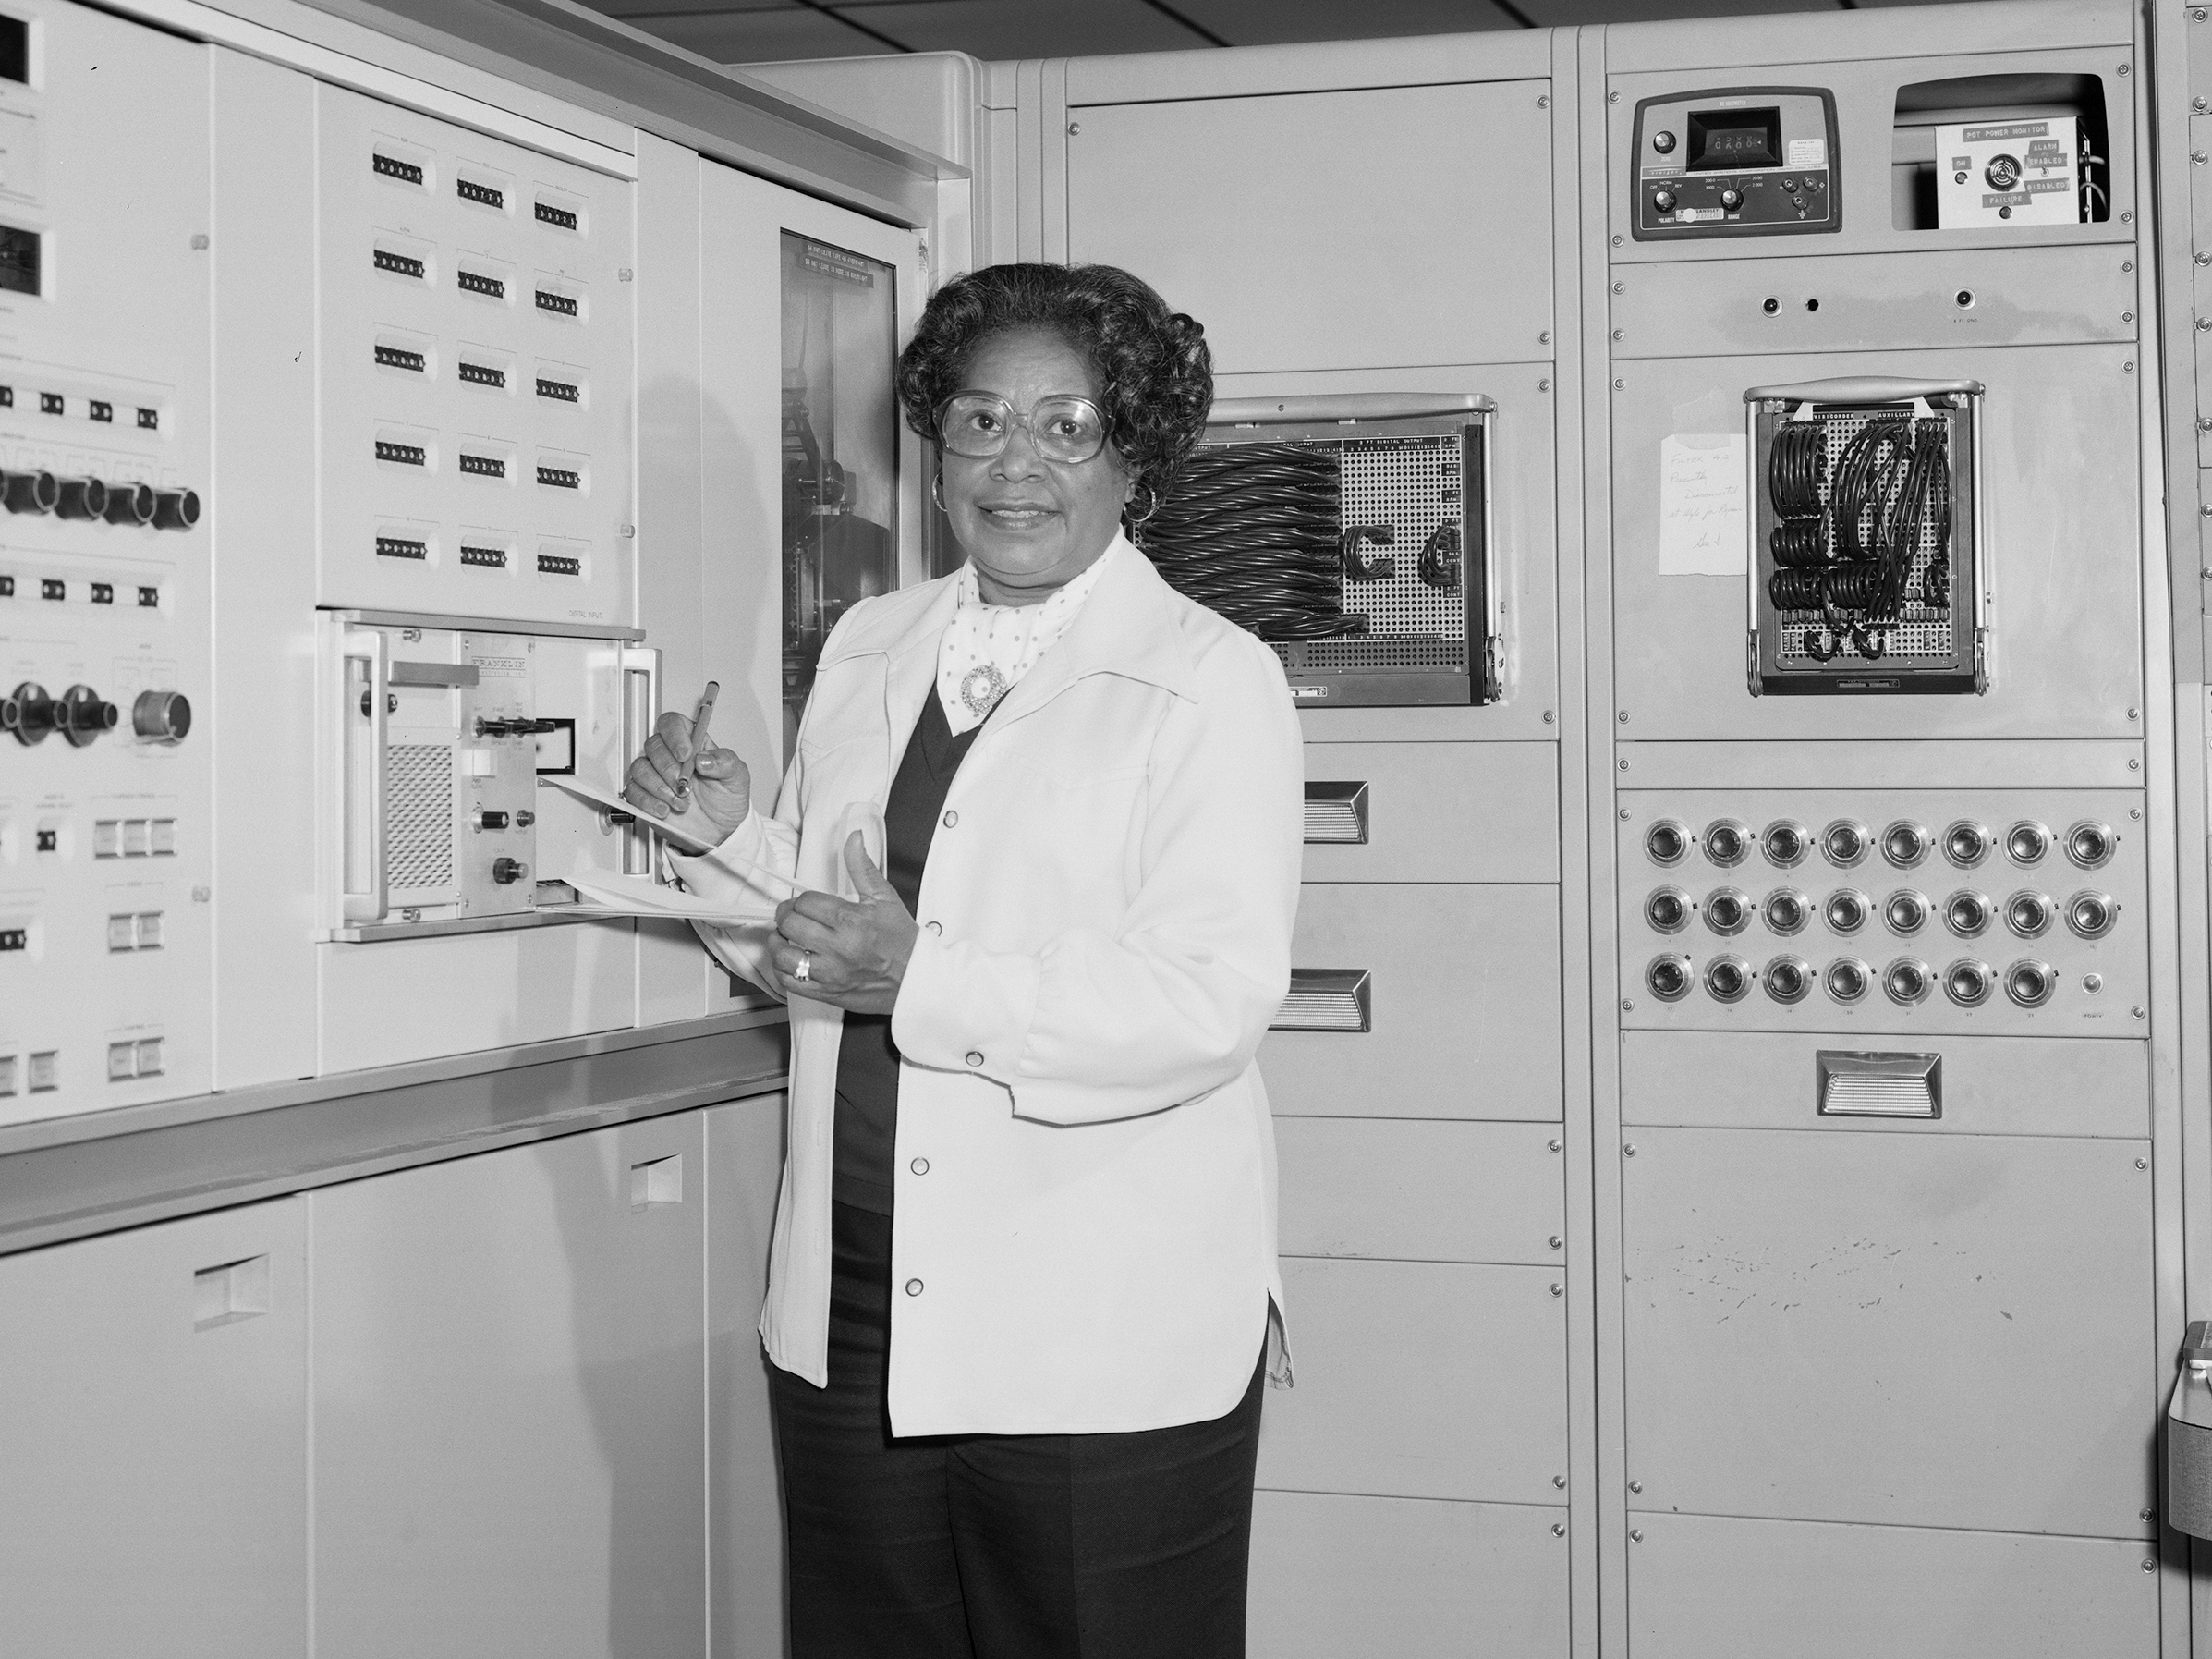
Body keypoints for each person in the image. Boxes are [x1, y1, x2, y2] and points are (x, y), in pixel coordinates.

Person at [625, 262, 1304, 1659]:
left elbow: (1205, 1002)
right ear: (936, 448)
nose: (1016, 464)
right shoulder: (871, 644)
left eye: (1068, 426)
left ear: (1134, 456)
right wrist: (723, 841)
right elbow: (819, 944)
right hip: (857, 1297)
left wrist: (920, 980)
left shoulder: (1208, 676)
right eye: (982, 421)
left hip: (1091, 1315)